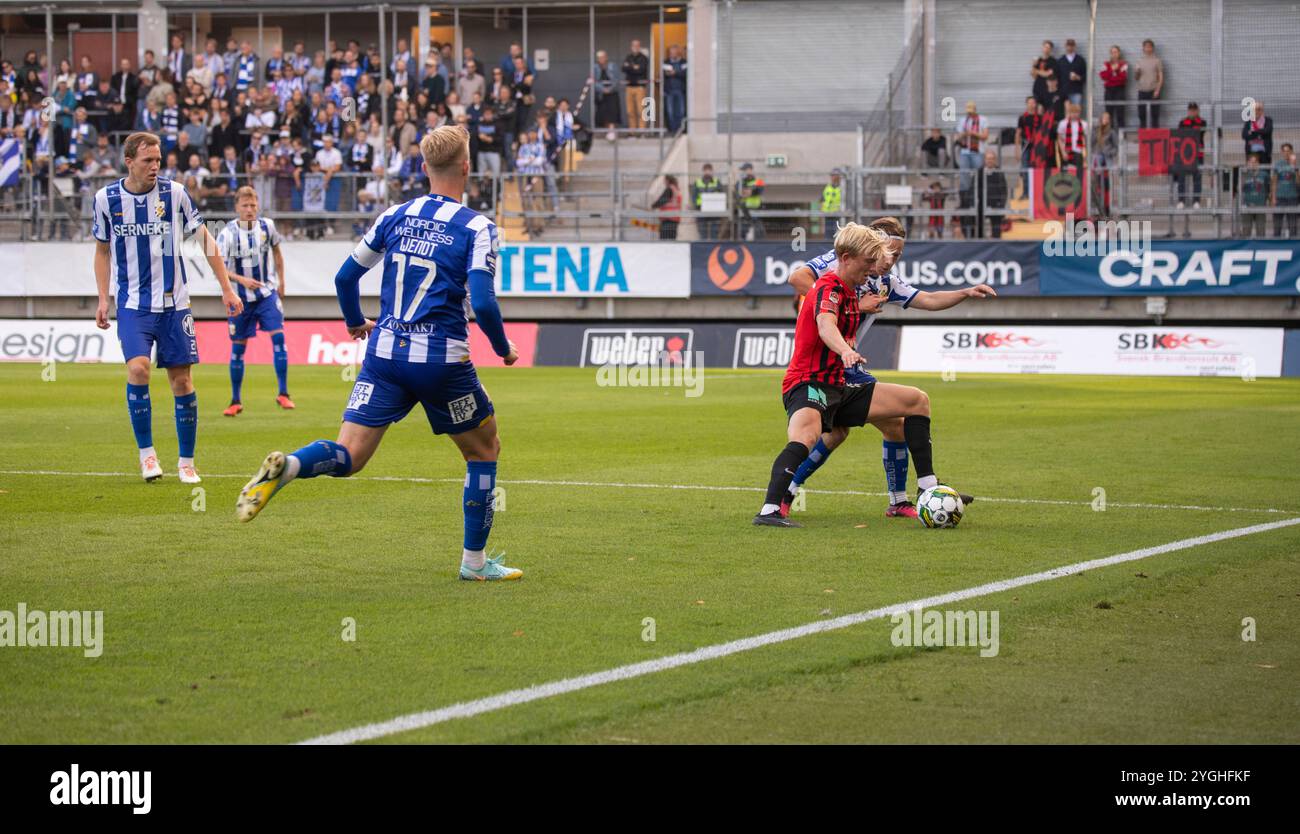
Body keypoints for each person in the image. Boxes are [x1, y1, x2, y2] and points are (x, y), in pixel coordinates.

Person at [235, 125, 524, 583]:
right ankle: (474, 563)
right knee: (484, 451)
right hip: (441, 362)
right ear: (467, 168)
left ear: (425, 168)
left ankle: (290, 466)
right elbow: (485, 302)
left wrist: (355, 323)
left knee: (349, 457)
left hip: (384, 353)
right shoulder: (479, 228)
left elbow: (344, 279)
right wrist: (502, 346)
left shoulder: (396, 214)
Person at [755, 224, 976, 527]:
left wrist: (964, 292)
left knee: (915, 401)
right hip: (810, 381)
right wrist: (844, 349)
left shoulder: (853, 287)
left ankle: (926, 488)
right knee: (808, 436)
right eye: (871, 262)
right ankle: (771, 509)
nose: (877, 269)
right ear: (847, 258)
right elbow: (825, 325)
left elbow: (926, 299)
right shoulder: (829, 285)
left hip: (841, 383)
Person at [91, 131, 243, 483]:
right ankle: (147, 456)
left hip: (176, 305)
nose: (155, 167)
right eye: (147, 161)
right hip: (133, 305)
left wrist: (226, 289)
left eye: (158, 160)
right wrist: (102, 297)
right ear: (129, 161)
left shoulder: (175, 194)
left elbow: (205, 240)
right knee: (139, 369)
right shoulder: (105, 198)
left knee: (181, 381)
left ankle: (186, 461)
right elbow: (102, 250)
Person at [218, 187, 292, 415]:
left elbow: (277, 254)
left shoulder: (267, 226)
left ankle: (283, 393)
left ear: (257, 205)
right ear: (237, 207)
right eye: (245, 206)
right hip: (240, 298)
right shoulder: (227, 233)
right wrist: (242, 280)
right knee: (239, 348)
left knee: (278, 337)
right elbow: (219, 267)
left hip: (266, 294)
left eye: (253, 205)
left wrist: (281, 282)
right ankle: (235, 400)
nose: (249, 210)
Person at [1175, 102, 1206, 209]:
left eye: (1194, 110)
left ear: (1197, 111)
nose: (1192, 112)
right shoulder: (1182, 122)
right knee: (1181, 178)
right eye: (1190, 110)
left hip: (1198, 154)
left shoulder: (1202, 122)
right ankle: (1181, 200)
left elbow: (1200, 133)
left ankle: (1196, 201)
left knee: (1197, 177)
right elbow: (1180, 135)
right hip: (1185, 155)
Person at [1134, 39, 1163, 128]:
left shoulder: (1157, 60)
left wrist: (1157, 90)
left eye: (1150, 47)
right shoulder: (1139, 61)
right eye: (1146, 47)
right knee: (1142, 114)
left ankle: (1155, 136)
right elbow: (1136, 78)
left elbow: (1161, 76)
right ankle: (1143, 135)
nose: (1148, 49)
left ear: (1152, 48)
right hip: (1142, 91)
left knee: (1155, 115)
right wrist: (1137, 72)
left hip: (1153, 90)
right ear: (1143, 48)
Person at [591, 51, 621, 137]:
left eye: (603, 57)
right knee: (602, 112)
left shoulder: (612, 66)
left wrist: (610, 89)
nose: (601, 59)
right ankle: (605, 131)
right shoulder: (595, 67)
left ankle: (611, 130)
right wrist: (602, 89)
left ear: (606, 57)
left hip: (612, 93)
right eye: (599, 57)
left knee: (612, 111)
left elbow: (616, 79)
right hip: (601, 93)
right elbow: (593, 81)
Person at [622, 40, 649, 131]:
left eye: (637, 45)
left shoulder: (643, 58)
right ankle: (632, 131)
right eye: (634, 45)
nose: (635, 47)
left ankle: (642, 131)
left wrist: (630, 67)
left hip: (640, 86)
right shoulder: (628, 57)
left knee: (641, 110)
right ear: (631, 46)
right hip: (629, 86)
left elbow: (641, 70)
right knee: (630, 111)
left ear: (639, 47)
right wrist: (633, 67)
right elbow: (623, 68)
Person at [1273, 143, 1298, 238]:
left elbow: (1298, 181)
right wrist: (1273, 197)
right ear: (1282, 152)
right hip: (1280, 197)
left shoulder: (1296, 165)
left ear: (1291, 152)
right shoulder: (1278, 164)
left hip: (1292, 197)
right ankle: (1275, 243)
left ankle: (1293, 244)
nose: (1286, 153)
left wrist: (1294, 167)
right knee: (1277, 224)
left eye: (1288, 151)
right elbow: (1274, 181)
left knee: (1292, 224)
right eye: (1284, 151)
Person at [1240, 154, 1269, 238]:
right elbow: (1240, 189)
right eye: (1250, 162)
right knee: (1246, 231)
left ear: (1258, 163)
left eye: (1255, 162)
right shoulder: (1243, 174)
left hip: (1260, 205)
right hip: (1247, 206)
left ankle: (1261, 248)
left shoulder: (1264, 174)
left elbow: (1268, 187)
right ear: (1247, 163)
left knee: (1261, 231)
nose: (1253, 164)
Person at [980, 149, 1008, 237]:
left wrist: (1001, 205)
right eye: (988, 158)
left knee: (996, 229)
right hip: (981, 205)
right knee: (977, 224)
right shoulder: (979, 172)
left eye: (992, 158)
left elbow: (1004, 190)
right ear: (984, 160)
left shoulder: (999, 172)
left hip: (996, 205)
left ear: (995, 160)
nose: (990, 161)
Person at [692, 163, 724, 240]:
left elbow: (721, 195)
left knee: (714, 233)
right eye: (706, 170)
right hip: (701, 210)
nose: (707, 172)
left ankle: (714, 249)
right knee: (702, 233)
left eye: (709, 170)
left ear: (712, 171)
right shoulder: (697, 182)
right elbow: (694, 196)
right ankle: (703, 250)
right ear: (703, 171)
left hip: (714, 211)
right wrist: (696, 205)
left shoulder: (717, 182)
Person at [1099, 45, 1128, 129]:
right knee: (1108, 113)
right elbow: (1103, 76)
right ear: (1110, 54)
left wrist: (1110, 77)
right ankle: (1109, 136)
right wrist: (1112, 70)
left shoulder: (1123, 64)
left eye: (1116, 52)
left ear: (1119, 53)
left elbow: (1123, 78)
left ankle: (1121, 136)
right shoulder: (1106, 64)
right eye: (1112, 52)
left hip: (1120, 90)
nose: (1114, 54)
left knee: (1120, 113)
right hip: (1109, 90)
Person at [661, 44, 687, 134]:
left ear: (678, 53)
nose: (673, 54)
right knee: (670, 112)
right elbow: (663, 75)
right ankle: (673, 130)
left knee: (681, 111)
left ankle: (680, 130)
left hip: (681, 91)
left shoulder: (684, 62)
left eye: (674, 52)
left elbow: (685, 74)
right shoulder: (666, 62)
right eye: (671, 53)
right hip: (669, 91)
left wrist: (675, 73)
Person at [735, 162, 764, 240]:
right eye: (742, 170)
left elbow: (759, 191)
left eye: (745, 170)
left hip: (755, 209)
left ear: (750, 170)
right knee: (743, 231)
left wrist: (749, 192)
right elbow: (739, 193)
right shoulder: (739, 182)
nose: (743, 172)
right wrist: (749, 191)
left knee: (758, 231)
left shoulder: (759, 181)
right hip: (744, 211)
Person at [1242, 100, 1273, 164]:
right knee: (1251, 170)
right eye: (1254, 109)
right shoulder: (1248, 122)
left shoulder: (1268, 120)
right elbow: (1244, 135)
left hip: (1264, 151)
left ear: (1262, 110)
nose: (1256, 111)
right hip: (1251, 151)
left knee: (1265, 170)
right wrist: (1260, 132)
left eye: (1259, 109)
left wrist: (1252, 132)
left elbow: (1267, 131)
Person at [651, 174, 682, 239]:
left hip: (668, 218)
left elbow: (662, 200)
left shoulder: (669, 189)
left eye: (664, 181)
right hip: (675, 218)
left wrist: (653, 206)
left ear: (667, 181)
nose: (664, 182)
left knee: (664, 239)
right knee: (672, 239)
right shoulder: (676, 189)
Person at [1057, 38, 1086, 106]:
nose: (1070, 47)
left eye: (1072, 46)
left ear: (1075, 47)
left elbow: (1085, 76)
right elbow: (1057, 76)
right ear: (1065, 46)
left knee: (1076, 111)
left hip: (1076, 91)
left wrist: (1078, 77)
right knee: (1065, 112)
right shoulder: (1060, 60)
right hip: (1064, 91)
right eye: (1068, 45)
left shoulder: (1080, 60)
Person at [821, 170, 843, 239]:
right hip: (828, 214)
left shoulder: (842, 188)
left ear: (839, 177)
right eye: (832, 175)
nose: (833, 177)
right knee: (828, 234)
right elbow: (822, 200)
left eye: (835, 175)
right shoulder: (827, 188)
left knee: (837, 234)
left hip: (839, 215)